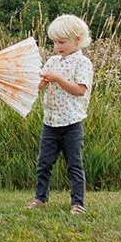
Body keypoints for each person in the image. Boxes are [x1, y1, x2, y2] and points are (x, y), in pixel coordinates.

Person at [26, 13, 93, 215]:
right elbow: (40, 85)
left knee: (74, 163)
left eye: (62, 42)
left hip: (72, 123)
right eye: (55, 42)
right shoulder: (52, 61)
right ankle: (40, 198)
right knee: (44, 163)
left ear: (78, 40)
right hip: (50, 122)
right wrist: (36, 81)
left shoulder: (82, 63)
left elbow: (80, 89)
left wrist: (57, 79)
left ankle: (77, 204)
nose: (57, 47)